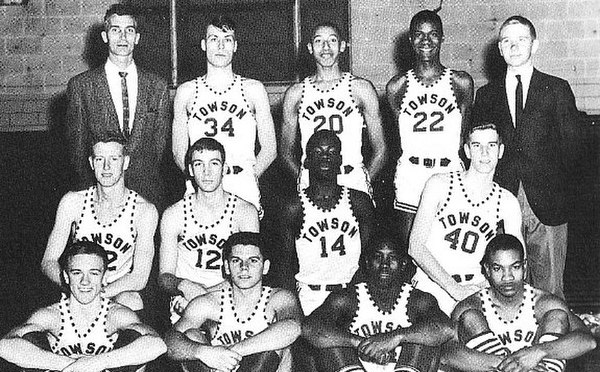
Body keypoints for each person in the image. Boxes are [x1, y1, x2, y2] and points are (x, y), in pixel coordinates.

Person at [0, 241, 167, 372]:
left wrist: (97, 363)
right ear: (66, 277)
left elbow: (158, 345)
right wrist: (70, 365)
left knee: (137, 341)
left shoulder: (116, 314)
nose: (85, 281)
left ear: (105, 277)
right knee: (27, 344)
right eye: (77, 273)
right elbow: (4, 346)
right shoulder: (50, 315)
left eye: (94, 273)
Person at [302, 236, 453, 372]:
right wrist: (358, 343)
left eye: (392, 258)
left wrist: (396, 336)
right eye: (377, 257)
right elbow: (309, 329)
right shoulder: (346, 298)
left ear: (403, 264)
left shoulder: (420, 300)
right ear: (365, 262)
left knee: (422, 337)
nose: (384, 264)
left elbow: (445, 329)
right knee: (330, 341)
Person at [409, 123, 523, 372]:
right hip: (433, 288)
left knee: (500, 366)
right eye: (477, 145)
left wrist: (488, 288)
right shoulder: (440, 183)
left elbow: (518, 262)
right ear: (466, 149)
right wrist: (454, 288)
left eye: (491, 145)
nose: (484, 153)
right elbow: (415, 247)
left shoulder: (507, 201)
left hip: (475, 291)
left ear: (501, 151)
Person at [444, 234, 595, 372]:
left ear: (524, 266)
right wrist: (504, 363)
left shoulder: (543, 301)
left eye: (514, 267)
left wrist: (539, 351)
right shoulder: (471, 304)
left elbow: (588, 341)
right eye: (498, 269)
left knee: (557, 317)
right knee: (470, 319)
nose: (507, 277)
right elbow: (447, 353)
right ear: (486, 269)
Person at [472, 15, 582, 299]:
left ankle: (552, 340)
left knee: (550, 290)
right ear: (499, 49)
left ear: (534, 45)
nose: (515, 46)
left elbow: (573, 151)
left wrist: (562, 196)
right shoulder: (486, 95)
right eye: (507, 40)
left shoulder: (557, 89)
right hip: (500, 200)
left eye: (521, 40)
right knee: (503, 284)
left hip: (548, 204)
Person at [165, 232, 301, 372]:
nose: (244, 268)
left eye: (253, 261)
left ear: (265, 267)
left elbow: (293, 327)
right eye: (236, 261)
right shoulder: (209, 303)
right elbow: (170, 343)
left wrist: (232, 351)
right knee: (189, 337)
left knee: (276, 337)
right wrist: (202, 352)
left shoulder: (279, 298)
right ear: (226, 267)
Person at [67, 3, 170, 211]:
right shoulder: (82, 86)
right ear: (105, 36)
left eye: (129, 31)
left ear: (137, 38)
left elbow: (159, 146)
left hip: (146, 193)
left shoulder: (157, 85)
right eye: (116, 30)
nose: (123, 38)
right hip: (98, 195)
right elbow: (77, 150)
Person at [41, 135, 158, 313]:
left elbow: (139, 277)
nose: (106, 167)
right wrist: (73, 286)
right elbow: (48, 261)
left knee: (132, 300)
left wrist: (98, 294)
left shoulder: (144, 211)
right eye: (100, 159)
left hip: (116, 290)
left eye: (114, 159)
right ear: (91, 162)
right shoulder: (73, 202)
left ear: (125, 162)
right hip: (79, 287)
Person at [387, 9, 474, 247]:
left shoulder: (460, 83)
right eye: (419, 34)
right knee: (409, 248)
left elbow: (463, 137)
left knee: (447, 247)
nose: (426, 41)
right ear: (410, 40)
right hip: (412, 174)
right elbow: (399, 140)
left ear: (442, 38)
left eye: (433, 34)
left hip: (448, 171)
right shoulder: (397, 87)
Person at [172, 16, 276, 213]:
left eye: (227, 39)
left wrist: (249, 176)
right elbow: (179, 151)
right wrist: (199, 178)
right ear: (203, 45)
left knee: (244, 243)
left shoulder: (253, 89)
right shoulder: (187, 91)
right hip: (200, 184)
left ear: (235, 46)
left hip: (240, 182)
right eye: (214, 39)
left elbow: (270, 149)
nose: (220, 46)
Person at [159, 138, 259, 324]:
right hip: (185, 307)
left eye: (214, 163)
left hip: (232, 301)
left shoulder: (245, 212)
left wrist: (200, 296)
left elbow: (251, 272)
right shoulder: (174, 214)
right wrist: (185, 286)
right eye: (199, 164)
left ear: (224, 168)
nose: (207, 172)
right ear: (190, 170)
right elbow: (165, 277)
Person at [280, 22, 387, 196]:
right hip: (312, 183)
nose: (325, 47)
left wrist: (364, 181)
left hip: (351, 179)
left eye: (332, 40)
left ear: (343, 46)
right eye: (318, 41)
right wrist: (303, 179)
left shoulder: (360, 88)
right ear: (309, 48)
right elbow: (285, 150)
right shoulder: (296, 93)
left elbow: (381, 149)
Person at [281, 130, 374, 316]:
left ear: (340, 160)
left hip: (351, 293)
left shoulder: (359, 201)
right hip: (310, 297)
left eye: (331, 152)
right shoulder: (294, 206)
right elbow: (285, 266)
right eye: (318, 152)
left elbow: (369, 257)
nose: (325, 157)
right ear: (306, 162)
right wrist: (293, 307)